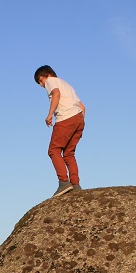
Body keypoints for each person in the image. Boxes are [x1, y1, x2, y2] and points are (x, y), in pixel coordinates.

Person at [34, 65, 86, 197]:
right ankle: (75, 185)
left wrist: (50, 115)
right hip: (78, 118)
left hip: (66, 118)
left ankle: (64, 182)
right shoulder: (68, 86)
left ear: (48, 75)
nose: (41, 85)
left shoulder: (52, 81)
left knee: (53, 150)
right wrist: (78, 121)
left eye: (41, 80)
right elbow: (83, 107)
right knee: (69, 153)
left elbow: (56, 94)